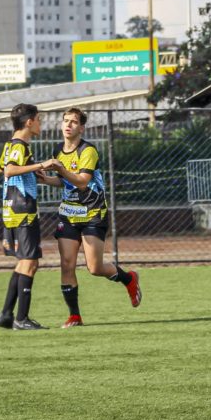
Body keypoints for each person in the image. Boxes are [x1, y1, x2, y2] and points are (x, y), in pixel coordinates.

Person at [49, 107, 141, 327]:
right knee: (67, 264)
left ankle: (128, 279)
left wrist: (60, 170)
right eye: (65, 121)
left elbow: (81, 181)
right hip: (69, 214)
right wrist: (44, 179)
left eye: (73, 122)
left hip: (92, 214)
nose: (68, 125)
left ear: (81, 128)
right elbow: (64, 181)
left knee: (95, 268)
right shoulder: (58, 151)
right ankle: (75, 316)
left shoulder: (88, 150)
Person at [0, 103, 60, 331]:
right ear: (29, 122)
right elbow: (9, 170)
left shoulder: (10, 145)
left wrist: (32, 169)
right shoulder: (19, 145)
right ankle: (21, 319)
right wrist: (41, 165)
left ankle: (6, 315)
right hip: (22, 209)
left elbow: (1, 168)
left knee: (24, 262)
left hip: (12, 208)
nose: (41, 123)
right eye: (39, 119)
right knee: (31, 262)